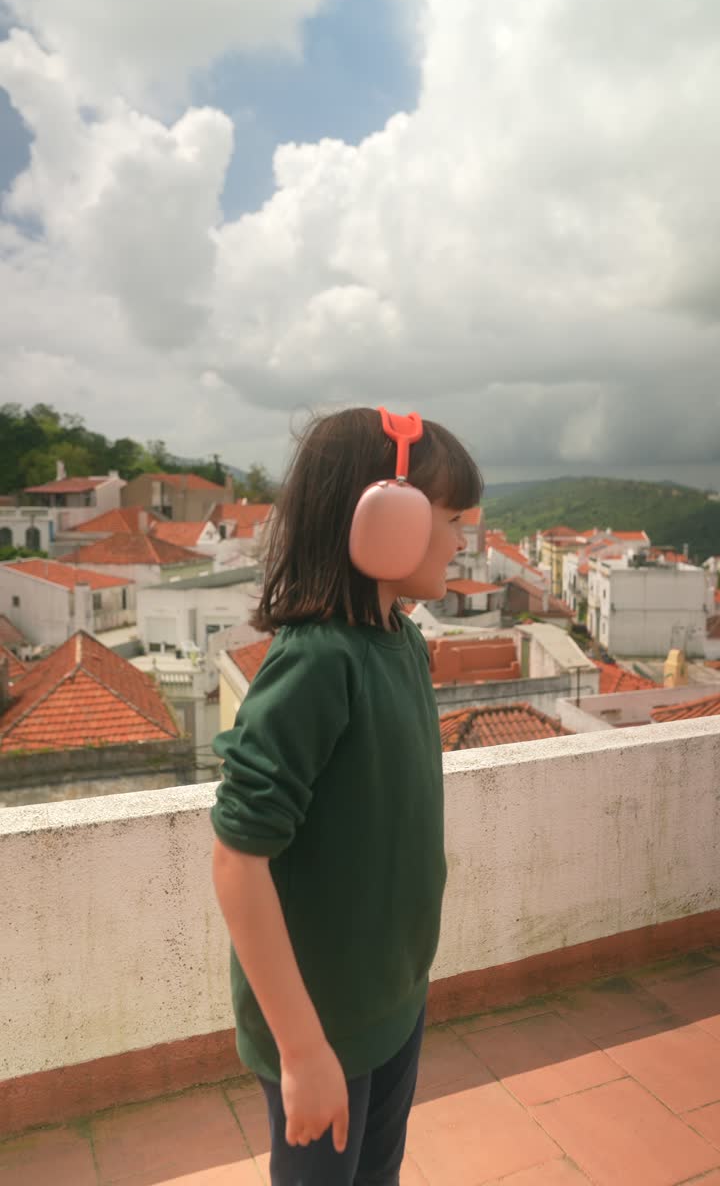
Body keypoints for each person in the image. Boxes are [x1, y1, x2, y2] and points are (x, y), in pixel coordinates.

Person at [211, 406, 483, 1185]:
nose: (463, 541)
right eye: (451, 519)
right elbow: (238, 861)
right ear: (384, 517)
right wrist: (301, 1052)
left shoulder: (402, 641)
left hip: (394, 999)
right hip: (322, 1027)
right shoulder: (319, 663)